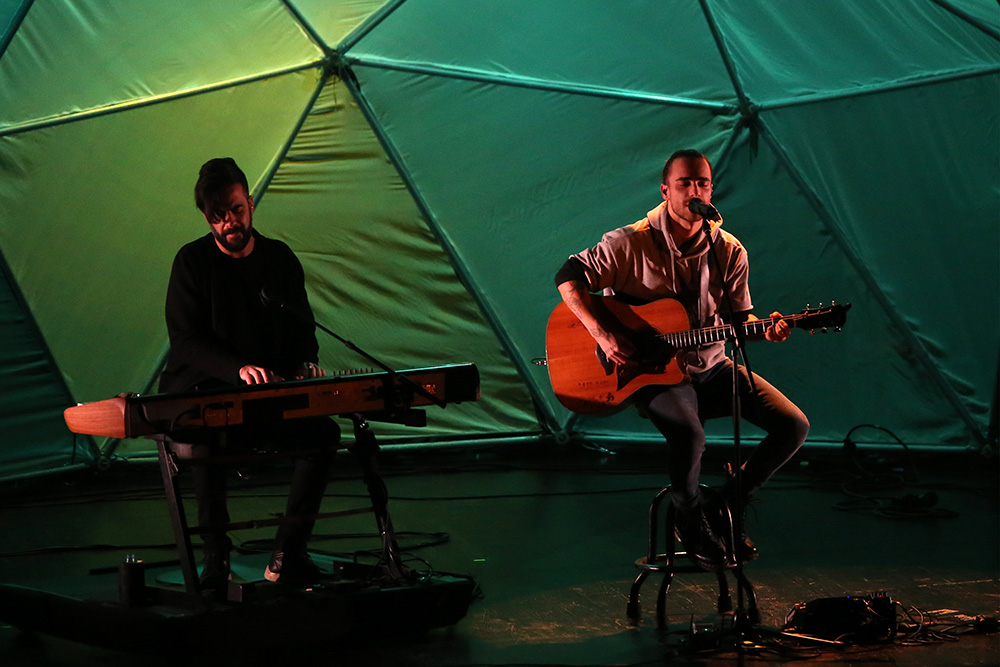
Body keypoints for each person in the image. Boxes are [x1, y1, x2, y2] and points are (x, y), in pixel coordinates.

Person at [554, 149, 809, 570]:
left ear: (711, 190)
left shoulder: (728, 250)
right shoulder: (629, 242)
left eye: (702, 183)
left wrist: (767, 327)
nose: (694, 191)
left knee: (793, 425)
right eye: (684, 183)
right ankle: (687, 515)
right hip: (653, 374)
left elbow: (738, 321)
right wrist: (603, 334)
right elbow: (568, 276)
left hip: (711, 366)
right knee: (689, 435)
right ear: (665, 191)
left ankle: (725, 508)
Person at [159, 157, 340, 590]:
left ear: (251, 204)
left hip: (266, 393)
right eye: (218, 216)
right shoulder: (192, 262)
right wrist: (237, 368)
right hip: (205, 389)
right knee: (205, 436)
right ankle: (215, 558)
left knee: (323, 434)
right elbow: (185, 340)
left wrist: (304, 363)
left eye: (236, 210)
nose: (229, 223)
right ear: (207, 217)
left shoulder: (279, 258)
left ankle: (287, 554)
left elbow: (302, 327)